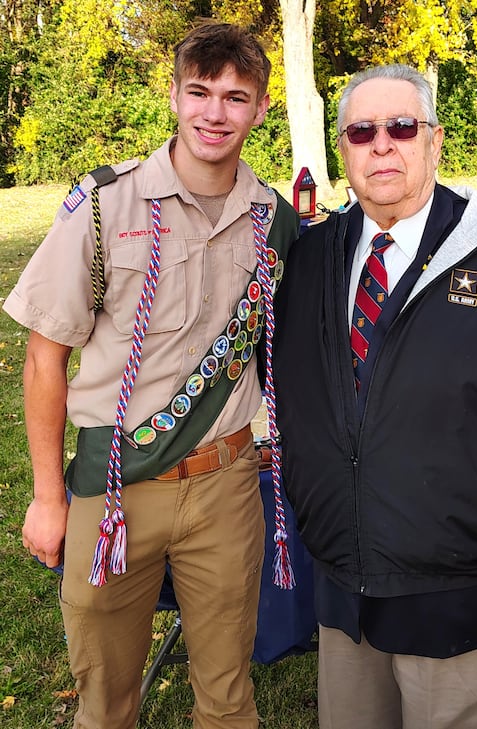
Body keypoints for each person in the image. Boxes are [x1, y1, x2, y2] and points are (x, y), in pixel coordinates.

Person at [273, 64, 477, 729]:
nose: (382, 145)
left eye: (401, 127)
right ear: (343, 150)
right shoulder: (310, 262)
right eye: (362, 131)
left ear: (434, 140)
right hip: (346, 591)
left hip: (463, 600)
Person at [3, 22, 298, 729]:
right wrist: (48, 498)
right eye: (199, 92)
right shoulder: (105, 207)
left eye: (235, 96)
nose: (214, 113)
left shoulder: (276, 222)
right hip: (115, 489)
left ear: (260, 109)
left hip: (227, 486)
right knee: (105, 700)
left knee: (228, 698)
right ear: (173, 96)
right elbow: (45, 357)